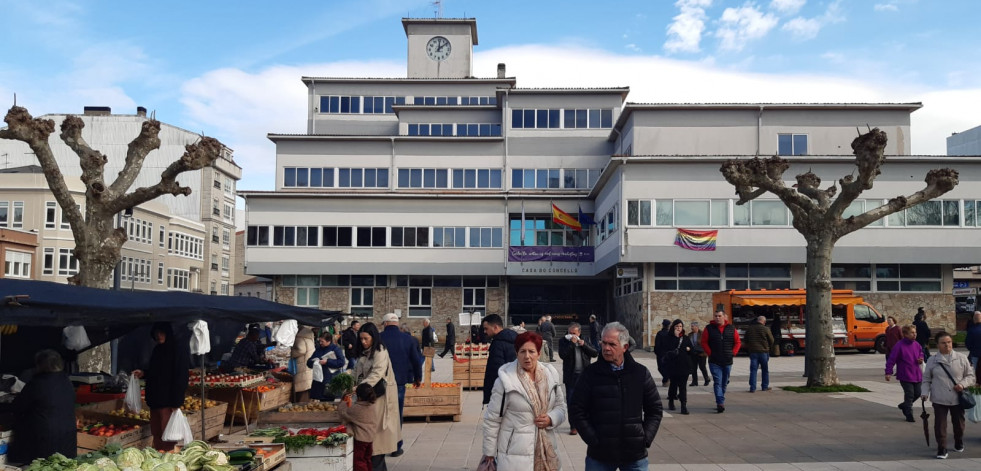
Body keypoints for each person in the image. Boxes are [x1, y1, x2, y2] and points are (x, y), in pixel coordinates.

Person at [569, 322, 663, 470]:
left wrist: (645, 438)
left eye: (612, 344)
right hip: (600, 454)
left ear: (625, 347)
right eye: (603, 343)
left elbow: (655, 409)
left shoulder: (640, 373)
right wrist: (592, 439)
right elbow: (577, 409)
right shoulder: (590, 374)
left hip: (634, 454)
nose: (606, 348)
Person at [481, 331, 566, 470]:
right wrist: (489, 453)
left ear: (538, 353)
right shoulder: (506, 380)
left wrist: (551, 418)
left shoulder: (551, 375)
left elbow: (561, 407)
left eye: (531, 351)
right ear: (516, 353)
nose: (527, 356)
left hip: (547, 448)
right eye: (522, 351)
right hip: (515, 453)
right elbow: (492, 419)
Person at [9, 349, 76, 464]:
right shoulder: (66, 381)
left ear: (40, 365)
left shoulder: (37, 383)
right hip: (68, 438)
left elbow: (18, 406)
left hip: (45, 442)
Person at [132, 322, 190, 451]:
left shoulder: (177, 350)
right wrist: (143, 373)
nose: (158, 336)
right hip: (155, 400)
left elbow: (181, 376)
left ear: (168, 333)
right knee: (156, 432)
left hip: (168, 401)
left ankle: (168, 457)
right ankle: (160, 455)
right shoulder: (157, 350)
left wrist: (177, 401)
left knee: (168, 434)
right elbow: (156, 372)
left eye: (161, 333)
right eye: (156, 333)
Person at [353, 322, 400, 470]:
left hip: (380, 399)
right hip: (368, 398)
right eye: (361, 339)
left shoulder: (380, 352)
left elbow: (377, 374)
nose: (363, 342)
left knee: (378, 436)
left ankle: (377, 464)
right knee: (371, 436)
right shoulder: (365, 353)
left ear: (373, 337)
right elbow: (356, 371)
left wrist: (359, 387)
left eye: (366, 339)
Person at [921, 331, 975, 459]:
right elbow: (926, 379)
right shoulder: (932, 360)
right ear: (937, 345)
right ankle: (942, 447)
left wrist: (962, 384)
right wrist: (924, 393)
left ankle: (958, 440)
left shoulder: (961, 358)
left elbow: (971, 376)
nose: (947, 345)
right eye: (943, 343)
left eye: (949, 342)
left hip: (957, 397)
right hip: (939, 397)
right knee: (940, 424)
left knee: (959, 423)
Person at [379, 312, 422, 457]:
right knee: (396, 413)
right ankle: (396, 446)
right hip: (399, 381)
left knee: (380, 413)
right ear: (397, 323)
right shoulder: (408, 339)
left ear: (385, 324)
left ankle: (380, 444)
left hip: (380, 382)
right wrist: (417, 378)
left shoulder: (378, 338)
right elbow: (416, 361)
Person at [559, 322, 598, 433]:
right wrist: (571, 344)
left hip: (584, 376)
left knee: (586, 401)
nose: (572, 335)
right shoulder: (564, 341)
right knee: (571, 401)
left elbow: (595, 353)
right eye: (570, 333)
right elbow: (563, 355)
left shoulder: (585, 339)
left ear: (579, 332)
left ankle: (585, 424)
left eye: (574, 333)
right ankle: (573, 426)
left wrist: (584, 345)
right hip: (571, 376)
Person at [701, 311, 741, 413]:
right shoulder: (709, 328)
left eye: (719, 316)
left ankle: (721, 399)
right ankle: (720, 402)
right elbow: (704, 342)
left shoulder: (731, 328)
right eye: (716, 316)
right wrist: (710, 353)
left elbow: (737, 342)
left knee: (724, 382)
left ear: (724, 317)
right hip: (714, 361)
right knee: (717, 381)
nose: (717, 318)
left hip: (727, 360)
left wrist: (733, 353)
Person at [884, 324, 924, 422]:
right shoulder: (899, 345)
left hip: (917, 373)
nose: (914, 335)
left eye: (915, 332)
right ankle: (909, 413)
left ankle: (904, 405)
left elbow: (921, 353)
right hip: (905, 374)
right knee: (909, 394)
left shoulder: (917, 344)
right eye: (912, 333)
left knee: (918, 393)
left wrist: (921, 359)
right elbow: (892, 359)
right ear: (905, 334)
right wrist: (888, 372)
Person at [339, 383, 379, 471]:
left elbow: (343, 412)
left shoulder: (357, 408)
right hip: (370, 438)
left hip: (360, 440)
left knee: (358, 461)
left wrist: (343, 400)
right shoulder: (373, 406)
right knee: (367, 459)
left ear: (359, 397)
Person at [482, 313, 518, 405]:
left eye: (486, 328)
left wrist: (490, 394)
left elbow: (495, 370)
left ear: (495, 327)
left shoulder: (498, 344)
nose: (484, 332)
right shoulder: (514, 340)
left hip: (501, 392)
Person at [662, 319, 694, 415]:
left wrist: (689, 349)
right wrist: (675, 338)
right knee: (673, 385)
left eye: (680, 327)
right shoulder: (668, 337)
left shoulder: (685, 338)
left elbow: (692, 351)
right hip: (673, 366)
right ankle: (671, 400)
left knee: (683, 387)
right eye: (677, 326)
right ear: (673, 327)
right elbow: (666, 349)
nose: (679, 328)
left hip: (684, 366)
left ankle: (683, 406)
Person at [309, 332, 346, 401]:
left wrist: (328, 362)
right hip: (319, 380)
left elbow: (341, 362)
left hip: (330, 379)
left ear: (328, 341)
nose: (320, 343)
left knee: (329, 400)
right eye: (319, 341)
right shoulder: (318, 349)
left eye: (322, 341)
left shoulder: (335, 349)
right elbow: (309, 362)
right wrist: (314, 362)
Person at [744, 315, 774, 393]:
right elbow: (771, 340)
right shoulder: (766, 329)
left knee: (753, 370)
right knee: (765, 370)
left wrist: (749, 347)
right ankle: (764, 386)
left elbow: (745, 340)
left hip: (753, 352)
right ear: (764, 322)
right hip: (763, 352)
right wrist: (768, 347)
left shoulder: (750, 329)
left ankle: (752, 387)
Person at [290, 325, 316, 403]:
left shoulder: (300, 338)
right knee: (307, 386)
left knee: (302, 388)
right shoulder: (308, 337)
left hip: (303, 365)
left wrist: (291, 353)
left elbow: (301, 350)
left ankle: (302, 407)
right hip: (308, 365)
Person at [687, 321, 710, 387]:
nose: (691, 328)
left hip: (702, 354)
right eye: (691, 326)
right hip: (693, 354)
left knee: (702, 367)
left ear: (696, 327)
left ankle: (707, 379)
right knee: (694, 368)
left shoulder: (702, 334)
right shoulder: (690, 334)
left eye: (692, 326)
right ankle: (694, 382)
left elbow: (705, 343)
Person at [653, 319, 672, 386]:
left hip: (661, 354)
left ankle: (666, 379)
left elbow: (657, 345)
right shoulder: (669, 334)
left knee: (661, 367)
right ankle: (666, 379)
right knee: (666, 367)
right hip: (667, 353)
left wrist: (657, 352)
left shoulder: (660, 334)